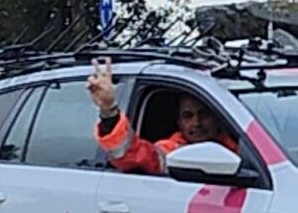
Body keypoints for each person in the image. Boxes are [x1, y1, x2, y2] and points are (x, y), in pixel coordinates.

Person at [87, 57, 239, 174]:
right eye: (188, 116)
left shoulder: (245, 146)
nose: (197, 122)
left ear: (218, 118)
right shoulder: (170, 152)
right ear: (179, 123)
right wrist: (109, 109)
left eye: (203, 114)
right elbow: (131, 153)